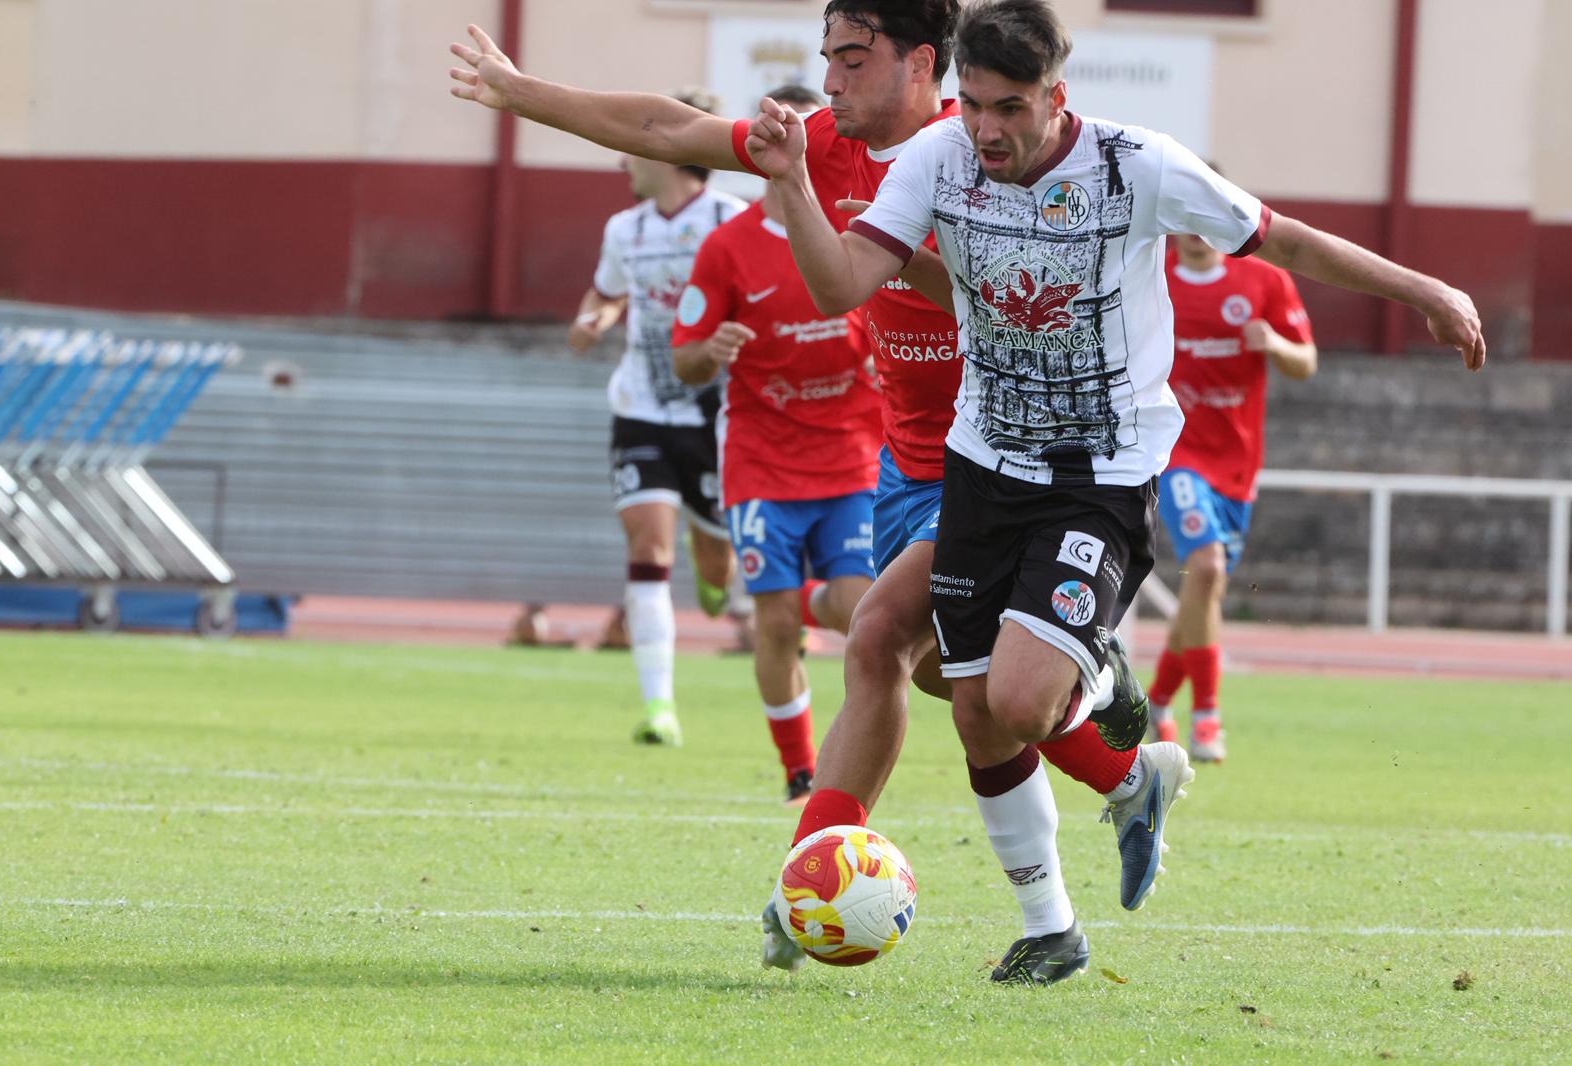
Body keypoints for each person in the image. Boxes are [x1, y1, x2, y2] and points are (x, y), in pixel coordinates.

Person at [450, 2, 1188, 987]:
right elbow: (666, 128)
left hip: (1006, 462)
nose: (830, 79)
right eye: (827, 58)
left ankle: (813, 874)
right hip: (903, 463)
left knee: (880, 633)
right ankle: (1109, 794)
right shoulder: (829, 146)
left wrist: (897, 254)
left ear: (921, 62)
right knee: (947, 685)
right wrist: (518, 93)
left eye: (851, 57)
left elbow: (1028, 290)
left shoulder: (986, 155)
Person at [744, 0, 1483, 982]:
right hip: (980, 466)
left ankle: (1105, 697)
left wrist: (1425, 289)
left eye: (1011, 107)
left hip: (1098, 472)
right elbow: (841, 285)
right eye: (973, 107)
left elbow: (1285, 238)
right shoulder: (936, 158)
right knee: (971, 709)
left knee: (1014, 694)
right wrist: (792, 182)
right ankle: (1054, 921)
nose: (988, 130)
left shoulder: (1140, 163)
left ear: (1058, 95)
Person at [674, 85, 883, 806]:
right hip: (762, 464)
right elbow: (684, 358)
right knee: (772, 623)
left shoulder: (861, 237)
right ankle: (800, 771)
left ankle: (807, 596)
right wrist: (712, 349)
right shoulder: (726, 248)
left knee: (863, 611)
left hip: (854, 458)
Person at [565, 89, 747, 748]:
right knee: (647, 546)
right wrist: (595, 319)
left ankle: (715, 576)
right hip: (640, 406)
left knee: (717, 564)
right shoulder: (625, 229)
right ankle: (659, 706)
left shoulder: (732, 220)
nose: (623, 160)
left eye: (633, 145)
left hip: (714, 414)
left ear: (668, 150)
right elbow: (610, 293)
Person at [1147, 228, 1319, 762]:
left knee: (1204, 593)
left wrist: (1276, 344)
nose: (1197, 236)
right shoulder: (1154, 276)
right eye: (1186, 221)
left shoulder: (1265, 280)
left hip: (1237, 468)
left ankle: (1156, 701)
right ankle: (1207, 717)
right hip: (1175, 453)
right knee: (1207, 569)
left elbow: (1306, 363)